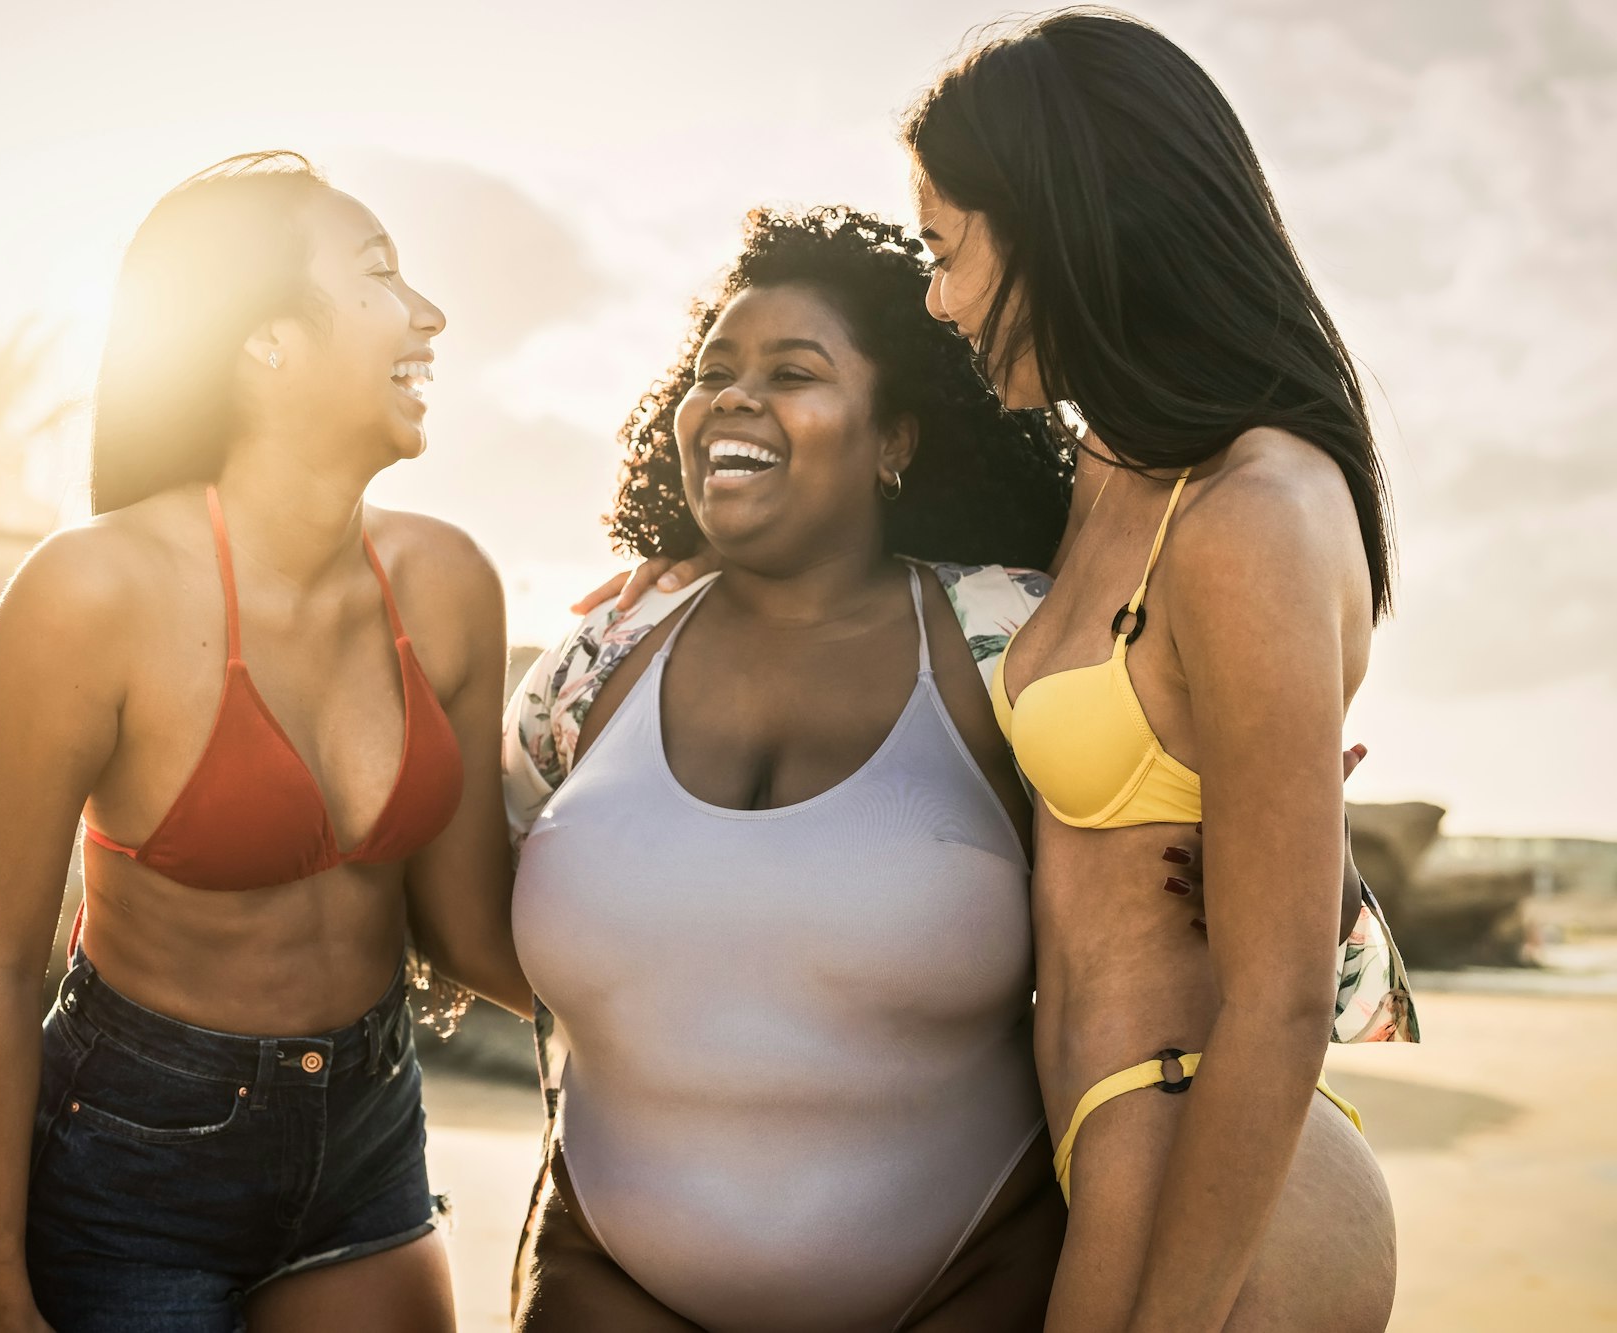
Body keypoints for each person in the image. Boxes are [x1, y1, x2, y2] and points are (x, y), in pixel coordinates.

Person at [0, 151, 528, 1333]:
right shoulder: (89, 594)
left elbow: (470, 928)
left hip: (367, 1135)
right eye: (379, 275)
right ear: (262, 340)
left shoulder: (448, 582)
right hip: (131, 1166)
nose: (429, 314)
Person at [903, 11, 1413, 1328]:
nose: (938, 299)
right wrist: (670, 555)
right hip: (1111, 1124)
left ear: (1061, 223)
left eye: (948, 250)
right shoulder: (1107, 471)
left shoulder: (1253, 508)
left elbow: (1287, 997)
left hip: (1195, 1131)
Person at [507, 206, 1090, 1332]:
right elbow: (486, 904)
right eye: (712, 369)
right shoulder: (595, 658)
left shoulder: (1012, 640)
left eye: (792, 371)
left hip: (972, 1277)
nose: (731, 394)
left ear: (893, 441)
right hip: (605, 1280)